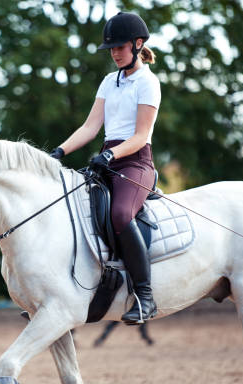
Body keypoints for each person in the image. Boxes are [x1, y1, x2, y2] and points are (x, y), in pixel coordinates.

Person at [50, 12, 160, 324]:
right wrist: (59, 151)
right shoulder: (108, 82)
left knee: (121, 214)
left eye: (120, 47)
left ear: (138, 45)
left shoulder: (148, 82)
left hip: (136, 162)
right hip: (106, 161)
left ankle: (145, 295)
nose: (114, 53)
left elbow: (141, 136)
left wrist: (111, 156)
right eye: (110, 48)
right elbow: (89, 128)